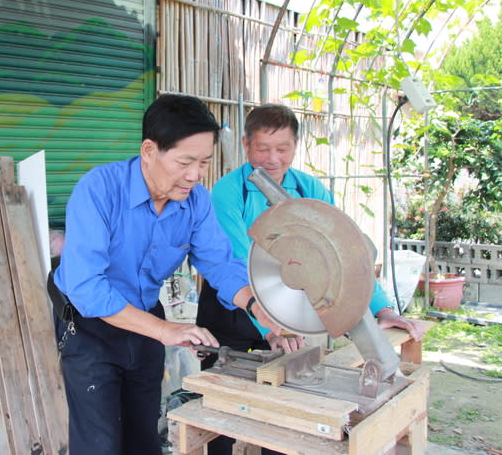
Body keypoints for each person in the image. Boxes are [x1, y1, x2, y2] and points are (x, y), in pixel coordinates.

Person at [51, 94, 282, 455]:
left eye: (204, 162)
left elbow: (219, 262)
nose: (194, 175)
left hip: (145, 318)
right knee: (100, 443)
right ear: (148, 150)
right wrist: (164, 330)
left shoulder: (196, 201)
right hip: (89, 326)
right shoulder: (99, 189)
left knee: (144, 436)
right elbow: (87, 289)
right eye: (184, 162)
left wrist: (256, 305)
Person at [197, 103, 426, 455]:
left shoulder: (310, 191)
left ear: (295, 146)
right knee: (222, 411)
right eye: (263, 148)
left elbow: (345, 256)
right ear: (245, 144)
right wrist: (270, 328)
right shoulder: (229, 192)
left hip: (289, 311)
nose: (273, 158)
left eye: (283, 148)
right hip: (234, 309)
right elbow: (238, 262)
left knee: (284, 414)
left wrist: (381, 309)